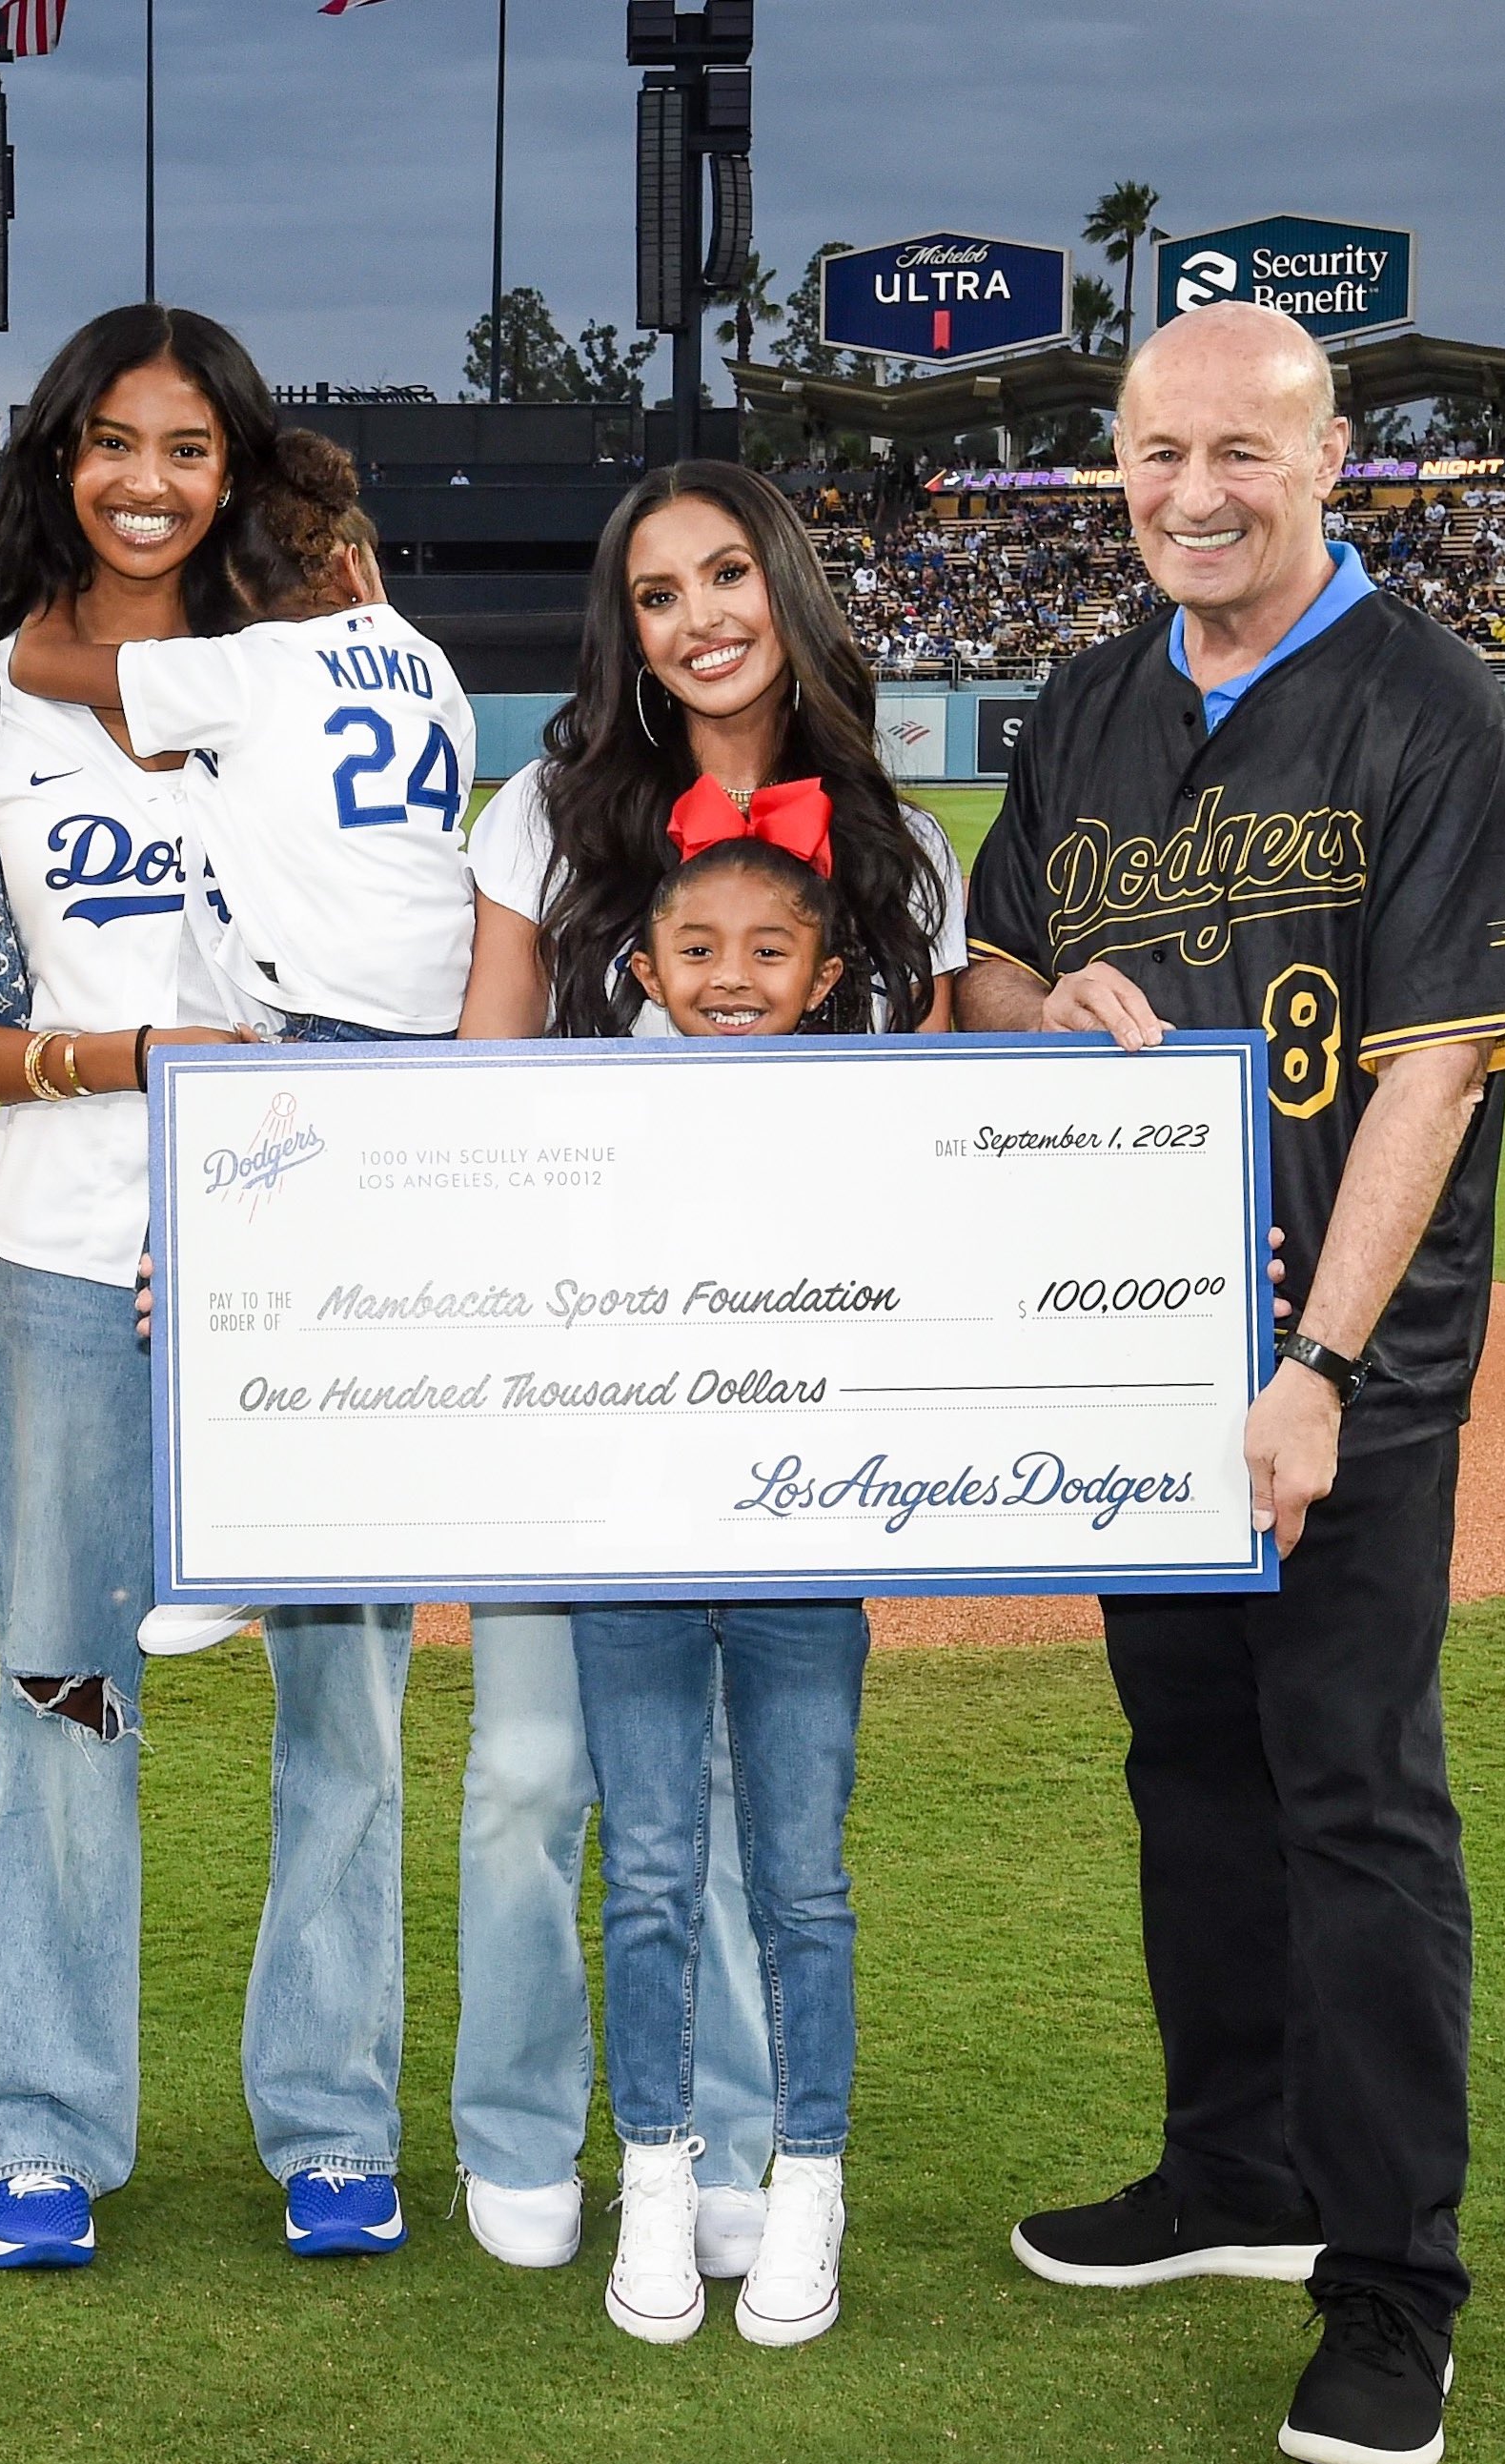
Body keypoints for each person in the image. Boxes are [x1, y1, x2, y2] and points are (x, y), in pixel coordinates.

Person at [961, 302, 1505, 2464]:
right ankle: (1233, 2168)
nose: (1193, 491)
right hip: (1134, 1361)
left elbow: (1438, 1060)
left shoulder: (1425, 703)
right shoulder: (1089, 697)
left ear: (1327, 464)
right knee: (1191, 1781)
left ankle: (1392, 2289)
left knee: (1356, 1803)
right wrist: (1050, 1003)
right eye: (1154, 454)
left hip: (1343, 1381)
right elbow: (989, 964)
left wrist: (1318, 1366)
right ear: (1115, 469)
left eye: (1240, 449)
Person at [0, 303, 419, 2273]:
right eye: (113, 442)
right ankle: (37, 2124)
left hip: (320, 1260)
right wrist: (128, 1063)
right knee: (65, 1691)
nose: (149, 481)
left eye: (189, 447)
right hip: (74, 1250)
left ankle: (335, 2120)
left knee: (343, 1694)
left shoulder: (310, 679)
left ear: (235, 468)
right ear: (60, 463)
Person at [450, 458, 962, 2287]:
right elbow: (478, 1092)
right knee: (528, 1769)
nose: (699, 618)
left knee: (751, 1797)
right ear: (629, 631)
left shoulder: (901, 848)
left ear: (787, 586)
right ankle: (520, 2121)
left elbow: (969, 1132)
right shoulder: (551, 814)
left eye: (727, 573)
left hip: (795, 1391)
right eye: (657, 593)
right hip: (583, 1380)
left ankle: (733, 2133)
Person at [9, 427, 479, 1661]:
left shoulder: (254, 666)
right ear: (351, 562)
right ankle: (352, 1505)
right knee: (349, 1299)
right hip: (428, 1029)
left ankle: (235, 1542)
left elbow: (43, 662)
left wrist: (138, 582)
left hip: (312, 1034)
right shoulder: (423, 659)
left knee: (200, 1290)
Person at [572, 829, 871, 2352]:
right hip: (628, 1542)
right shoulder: (586, 1116)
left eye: (770, 950)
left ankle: (807, 2180)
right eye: (698, 948)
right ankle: (653, 2172)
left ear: (823, 977)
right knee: (643, 1874)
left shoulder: (876, 1123)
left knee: (800, 1883)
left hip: (803, 1550)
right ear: (646, 967)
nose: (732, 976)